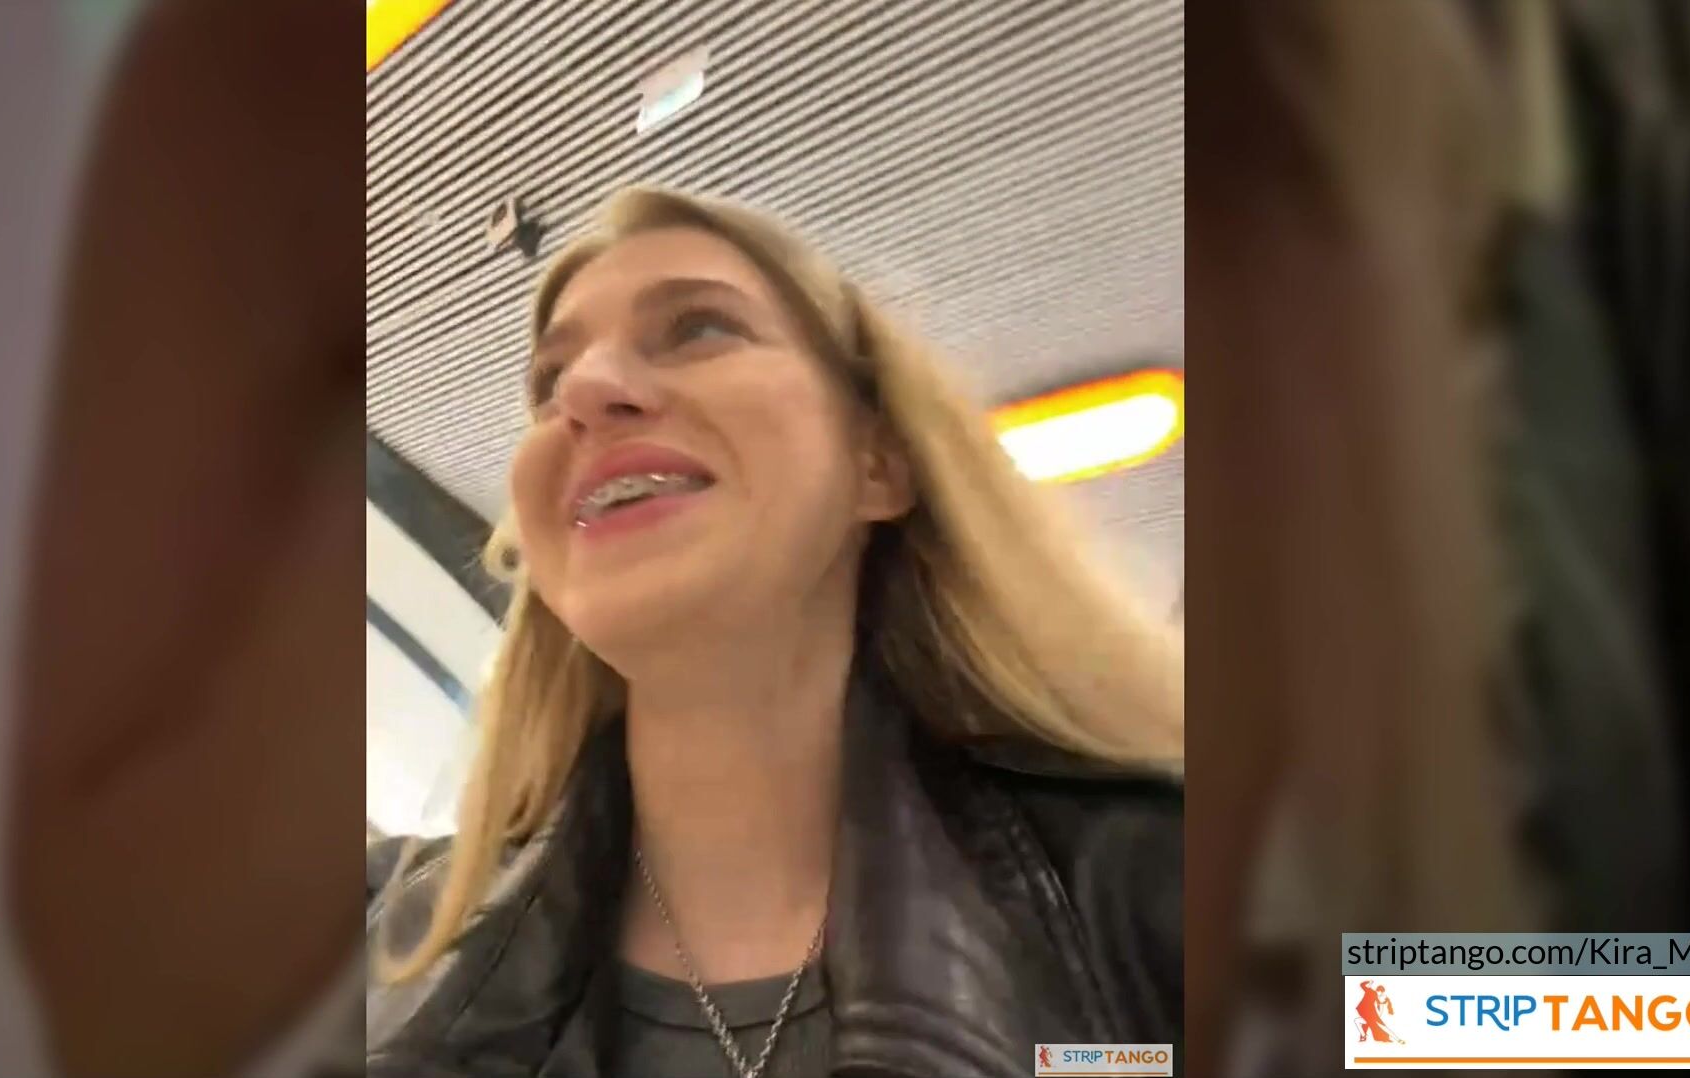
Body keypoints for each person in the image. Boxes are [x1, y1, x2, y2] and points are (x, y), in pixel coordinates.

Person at [367, 187, 1185, 1078]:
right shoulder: (376, 946)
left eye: (700, 328)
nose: (586, 392)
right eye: (548, 381)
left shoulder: (1172, 891)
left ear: (877, 464)